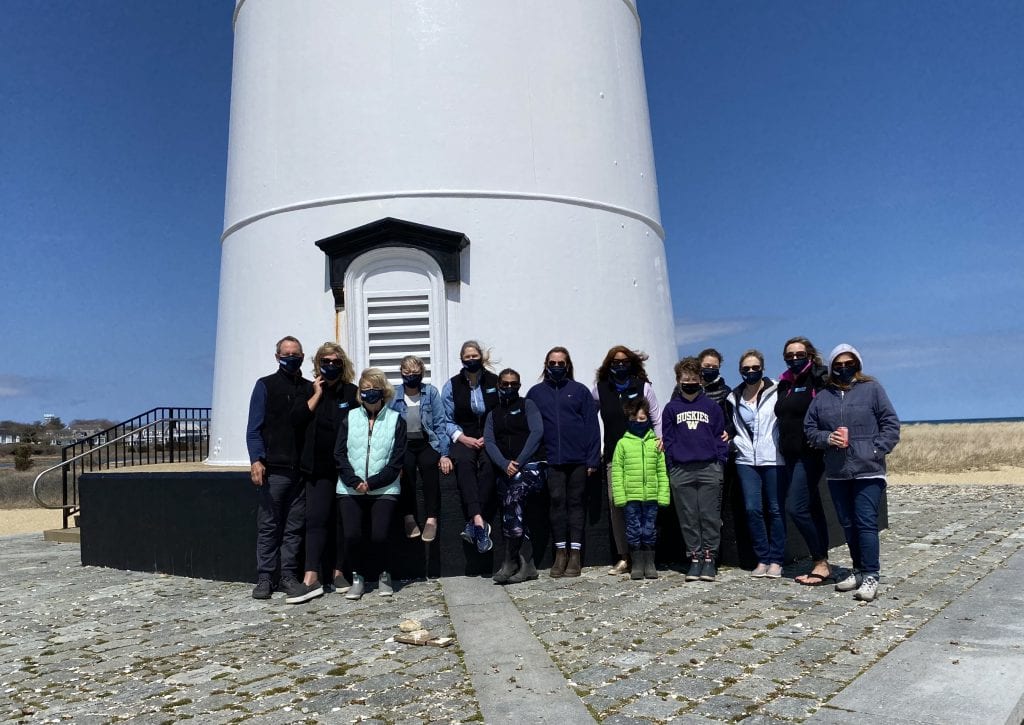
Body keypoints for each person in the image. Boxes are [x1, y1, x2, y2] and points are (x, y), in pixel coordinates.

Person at [805, 344, 900, 602]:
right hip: (837, 472)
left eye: (849, 364)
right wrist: (827, 438)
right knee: (847, 523)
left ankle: (871, 575)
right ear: (832, 366)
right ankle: (857, 569)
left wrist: (876, 449)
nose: (844, 368)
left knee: (866, 523)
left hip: (868, 471)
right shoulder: (823, 396)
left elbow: (890, 423)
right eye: (839, 364)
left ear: (857, 365)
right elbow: (810, 428)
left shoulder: (872, 389)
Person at [288, 342, 358, 603]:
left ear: (343, 365)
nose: (330, 366)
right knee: (316, 520)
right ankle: (311, 577)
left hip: (345, 468)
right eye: (325, 361)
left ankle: (339, 572)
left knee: (342, 522)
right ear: (318, 364)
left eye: (335, 362)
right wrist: (316, 393)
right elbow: (295, 419)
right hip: (316, 468)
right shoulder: (307, 389)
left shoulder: (352, 393)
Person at [245, 335, 311, 600]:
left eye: (295, 354)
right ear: (277, 357)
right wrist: (256, 459)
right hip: (274, 468)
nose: (291, 358)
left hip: (301, 470)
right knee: (270, 525)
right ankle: (264, 578)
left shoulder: (309, 388)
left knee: (294, 527)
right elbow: (254, 428)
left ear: (303, 356)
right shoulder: (265, 386)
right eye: (286, 354)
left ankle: (287, 576)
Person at [526, 346, 601, 578]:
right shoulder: (536, 393)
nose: (556, 366)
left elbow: (591, 426)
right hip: (551, 460)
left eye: (561, 363)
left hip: (578, 458)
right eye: (552, 362)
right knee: (557, 503)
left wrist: (593, 459)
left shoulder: (579, 391)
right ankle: (560, 553)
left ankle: (575, 554)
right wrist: (535, 457)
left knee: (576, 504)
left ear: (568, 365)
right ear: (546, 365)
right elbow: (530, 426)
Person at [334, 368, 407, 600]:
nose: (369, 394)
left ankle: (384, 575)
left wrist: (373, 482)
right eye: (364, 390)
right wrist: (354, 481)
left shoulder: (396, 420)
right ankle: (358, 577)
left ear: (383, 392)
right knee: (352, 535)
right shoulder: (350, 417)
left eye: (374, 389)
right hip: (350, 487)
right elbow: (339, 453)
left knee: (379, 535)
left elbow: (397, 460)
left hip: (384, 487)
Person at [592, 346, 662, 576]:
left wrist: (660, 442)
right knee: (618, 507)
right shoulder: (600, 390)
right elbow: (587, 417)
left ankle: (646, 556)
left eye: (624, 361)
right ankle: (625, 556)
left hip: (644, 454)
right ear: (608, 365)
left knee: (646, 507)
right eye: (615, 362)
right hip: (615, 455)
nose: (619, 365)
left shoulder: (643, 387)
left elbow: (655, 416)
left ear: (631, 363)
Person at [661, 356, 729, 582]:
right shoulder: (671, 408)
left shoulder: (711, 406)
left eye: (693, 378)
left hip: (709, 467)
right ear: (678, 381)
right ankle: (695, 557)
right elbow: (668, 439)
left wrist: (720, 460)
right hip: (681, 469)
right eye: (684, 378)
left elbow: (720, 435)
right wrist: (672, 464)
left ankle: (710, 558)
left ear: (700, 380)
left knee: (709, 516)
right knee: (688, 516)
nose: (689, 382)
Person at [775, 337, 832, 586]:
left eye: (799, 354)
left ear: (809, 354)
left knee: (796, 507)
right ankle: (822, 560)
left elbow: (827, 409)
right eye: (790, 355)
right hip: (789, 453)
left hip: (810, 453)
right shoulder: (785, 383)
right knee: (813, 507)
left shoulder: (818, 378)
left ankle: (819, 560)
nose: (794, 358)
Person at [483, 369, 546, 584]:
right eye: (505, 384)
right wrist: (504, 464)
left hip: (530, 466)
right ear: (498, 385)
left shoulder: (528, 406)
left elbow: (537, 433)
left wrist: (518, 462)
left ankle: (516, 561)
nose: (509, 388)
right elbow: (489, 442)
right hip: (506, 469)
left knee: (514, 493)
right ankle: (520, 562)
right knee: (511, 500)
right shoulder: (493, 414)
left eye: (514, 384)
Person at [730, 349, 785, 578]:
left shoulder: (777, 390)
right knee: (753, 509)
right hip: (745, 459)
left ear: (762, 368)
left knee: (774, 509)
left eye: (755, 368)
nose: (751, 372)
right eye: (746, 369)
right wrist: (732, 439)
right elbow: (728, 424)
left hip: (772, 457)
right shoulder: (733, 397)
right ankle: (762, 558)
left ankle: (777, 559)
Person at [441, 340, 498, 554]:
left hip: (489, 438)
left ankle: (473, 524)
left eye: (475, 356)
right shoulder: (452, 385)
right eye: (467, 357)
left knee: (490, 465)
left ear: (481, 357)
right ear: (462, 359)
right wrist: (462, 438)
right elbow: (446, 419)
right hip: (463, 438)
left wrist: (488, 437)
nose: (471, 359)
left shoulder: (494, 381)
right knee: (464, 464)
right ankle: (479, 522)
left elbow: (500, 413)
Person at [391, 355, 453, 543]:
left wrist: (444, 453)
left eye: (415, 373)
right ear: (401, 373)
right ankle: (408, 516)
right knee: (406, 470)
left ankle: (431, 518)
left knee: (429, 468)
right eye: (407, 372)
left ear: (422, 373)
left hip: (427, 442)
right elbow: (387, 423)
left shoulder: (430, 393)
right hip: (404, 444)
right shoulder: (394, 394)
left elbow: (440, 424)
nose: (411, 376)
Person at [611, 398, 669, 580]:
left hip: (651, 496)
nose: (638, 422)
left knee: (649, 529)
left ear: (649, 419)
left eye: (642, 419)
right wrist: (620, 497)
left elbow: (662, 471)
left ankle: (649, 562)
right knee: (633, 529)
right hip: (631, 498)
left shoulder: (656, 444)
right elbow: (617, 472)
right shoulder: (622, 444)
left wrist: (663, 495)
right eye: (634, 419)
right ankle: (636, 563)